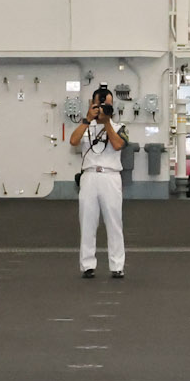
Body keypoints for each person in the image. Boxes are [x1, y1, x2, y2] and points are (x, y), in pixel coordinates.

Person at [69, 85, 127, 278]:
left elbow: (118, 145)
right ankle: (87, 265)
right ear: (92, 104)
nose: (102, 108)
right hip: (89, 176)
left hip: (110, 176)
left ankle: (117, 265)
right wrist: (87, 119)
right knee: (87, 221)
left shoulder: (119, 127)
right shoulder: (85, 126)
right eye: (99, 104)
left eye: (107, 105)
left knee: (114, 221)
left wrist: (107, 122)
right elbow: (73, 141)